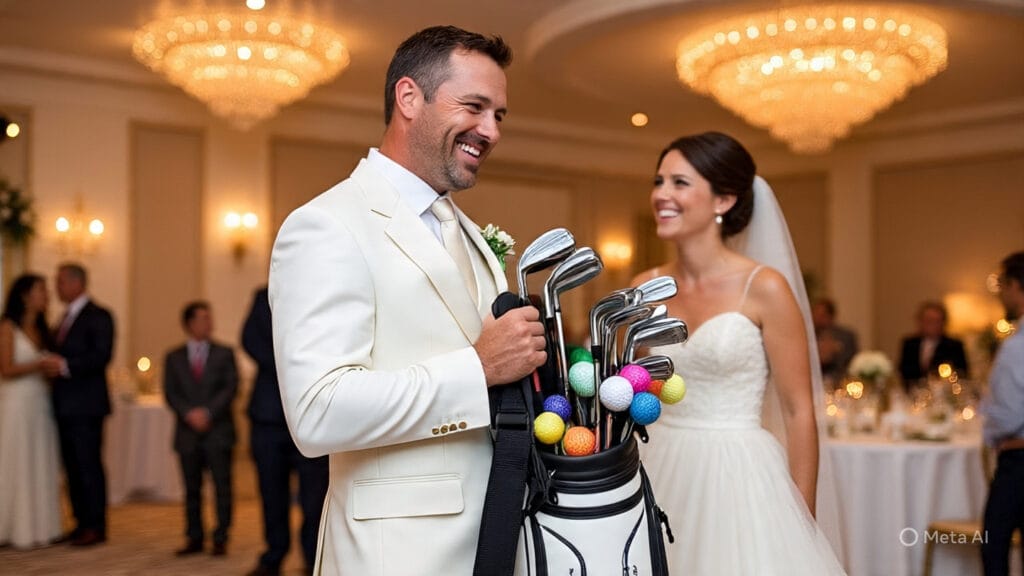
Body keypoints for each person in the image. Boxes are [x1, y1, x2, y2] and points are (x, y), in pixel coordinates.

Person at [269, 25, 547, 575]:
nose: (490, 130)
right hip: (395, 552)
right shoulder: (327, 225)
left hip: (494, 534)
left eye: (499, 116)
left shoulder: (465, 229)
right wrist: (477, 368)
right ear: (409, 97)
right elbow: (317, 413)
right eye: (474, 106)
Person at [634, 132, 845, 575]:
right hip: (654, 464)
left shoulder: (765, 288)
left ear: (723, 200)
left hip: (739, 474)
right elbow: (629, 386)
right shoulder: (642, 288)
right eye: (659, 181)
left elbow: (798, 410)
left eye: (679, 183)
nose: (661, 195)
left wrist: (801, 517)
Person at [242, 286, 328, 576]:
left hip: (312, 413)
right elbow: (250, 341)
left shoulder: (323, 291)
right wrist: (291, 363)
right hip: (268, 415)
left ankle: (312, 557)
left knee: (314, 495)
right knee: (271, 492)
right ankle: (273, 555)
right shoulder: (262, 295)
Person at [40, 262, 115, 547]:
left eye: (59, 282)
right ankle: (80, 521)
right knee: (71, 467)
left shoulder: (99, 316)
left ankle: (96, 525)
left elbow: (101, 356)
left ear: (76, 283)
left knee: (88, 466)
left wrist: (64, 365)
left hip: (87, 405)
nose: (56, 288)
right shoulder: (63, 318)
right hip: (64, 405)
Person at [163, 301, 238, 557]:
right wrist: (188, 414)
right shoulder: (173, 357)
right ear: (189, 324)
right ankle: (194, 536)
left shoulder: (224, 353)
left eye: (210, 317)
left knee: (222, 486)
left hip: (218, 431)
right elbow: (171, 392)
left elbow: (230, 388)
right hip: (187, 433)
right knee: (191, 488)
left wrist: (207, 413)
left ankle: (221, 537)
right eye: (202, 318)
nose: (209, 323)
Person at [0, 274, 63, 548]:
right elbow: (6, 369)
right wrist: (39, 364)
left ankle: (41, 526)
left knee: (40, 459)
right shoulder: (7, 327)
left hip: (41, 402)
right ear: (25, 295)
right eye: (41, 290)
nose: (46, 295)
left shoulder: (44, 329)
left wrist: (51, 371)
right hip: (16, 402)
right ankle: (10, 526)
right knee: (15, 460)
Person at [981, 251, 1024, 576]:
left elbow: (1010, 416)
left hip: (1018, 462)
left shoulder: (1016, 346)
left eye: (1003, 285)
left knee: (994, 547)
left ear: (1016, 286)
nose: (1001, 294)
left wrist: (988, 425)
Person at [897, 301, 969, 391]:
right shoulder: (910, 344)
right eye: (928, 321)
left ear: (944, 323)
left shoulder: (954, 345)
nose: (932, 325)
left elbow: (962, 374)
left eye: (936, 321)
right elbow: (903, 372)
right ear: (920, 322)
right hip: (913, 394)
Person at [812, 297, 859, 385]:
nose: (816, 318)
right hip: (816, 381)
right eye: (815, 314)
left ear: (830, 316)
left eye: (821, 315)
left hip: (841, 381)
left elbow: (853, 362)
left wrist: (836, 350)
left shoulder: (846, 336)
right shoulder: (810, 335)